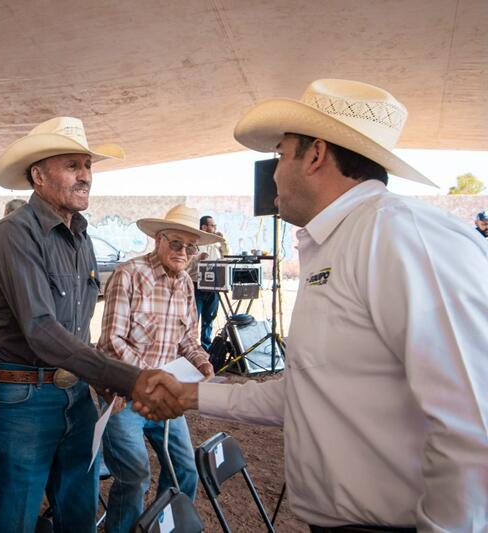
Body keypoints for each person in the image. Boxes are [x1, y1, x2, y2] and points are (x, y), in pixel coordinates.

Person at [139, 79, 488, 532]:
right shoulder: (343, 241)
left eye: (282, 155)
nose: (275, 173)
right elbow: (311, 390)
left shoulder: (400, 236)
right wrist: (190, 394)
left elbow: (474, 420)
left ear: (317, 154)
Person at [0, 116, 183, 533]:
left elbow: (78, 328)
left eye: (88, 166)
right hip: (22, 396)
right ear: (38, 175)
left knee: (78, 511)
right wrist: (127, 377)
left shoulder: (82, 237)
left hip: (74, 393)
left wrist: (100, 381)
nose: (86, 176)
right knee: (13, 516)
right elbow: (40, 327)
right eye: (72, 165)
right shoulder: (13, 233)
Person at [98, 204, 217, 533]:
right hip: (126, 396)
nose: (183, 252)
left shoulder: (186, 285)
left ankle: (163, 527)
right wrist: (151, 378)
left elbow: (189, 339)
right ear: (158, 240)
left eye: (190, 247)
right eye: (176, 243)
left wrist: (203, 362)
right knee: (135, 476)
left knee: (185, 471)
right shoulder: (130, 274)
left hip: (165, 397)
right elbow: (111, 342)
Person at [186, 214, 230, 350]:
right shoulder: (195, 242)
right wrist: (197, 258)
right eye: (212, 225)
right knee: (193, 319)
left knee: (209, 319)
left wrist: (223, 242)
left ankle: (206, 348)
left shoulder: (217, 243)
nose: (215, 228)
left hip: (214, 286)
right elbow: (186, 266)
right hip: (196, 285)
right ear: (204, 227)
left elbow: (228, 257)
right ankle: (190, 349)